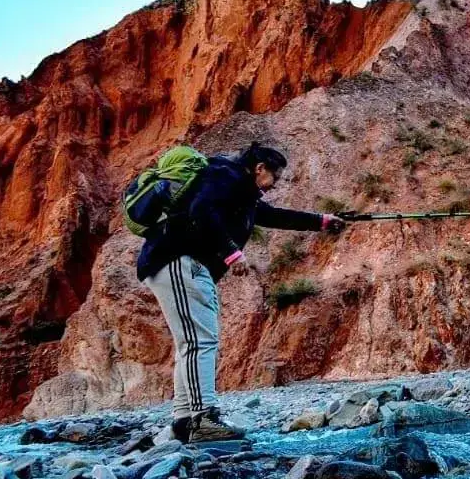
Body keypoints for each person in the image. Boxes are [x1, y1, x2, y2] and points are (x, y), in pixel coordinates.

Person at [136, 142, 345, 442]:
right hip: (179, 262)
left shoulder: (239, 191)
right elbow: (201, 210)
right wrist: (231, 253)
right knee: (200, 340)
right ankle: (202, 418)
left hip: (182, 266)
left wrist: (322, 221)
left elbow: (273, 216)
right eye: (276, 176)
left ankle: (184, 422)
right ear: (260, 169)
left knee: (192, 342)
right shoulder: (225, 175)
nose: (276, 184)